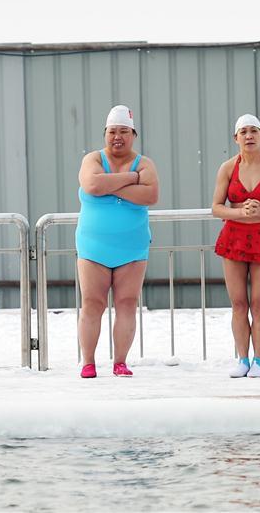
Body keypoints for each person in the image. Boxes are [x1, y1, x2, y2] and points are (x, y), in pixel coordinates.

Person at [76, 105, 159, 378]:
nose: (117, 137)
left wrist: (110, 184)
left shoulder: (145, 163)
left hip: (132, 247)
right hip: (93, 246)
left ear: (133, 134)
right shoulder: (93, 160)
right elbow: (92, 186)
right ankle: (88, 362)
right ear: (105, 134)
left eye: (124, 131)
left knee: (126, 302)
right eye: (112, 131)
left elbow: (150, 195)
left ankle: (120, 361)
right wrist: (131, 180)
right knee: (92, 303)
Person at [212, 114, 260, 378]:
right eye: (243, 132)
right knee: (238, 303)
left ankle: (258, 360)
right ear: (236, 138)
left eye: (254, 131)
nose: (249, 136)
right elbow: (216, 207)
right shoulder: (227, 168)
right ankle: (241, 358)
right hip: (234, 238)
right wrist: (241, 212)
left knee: (259, 302)